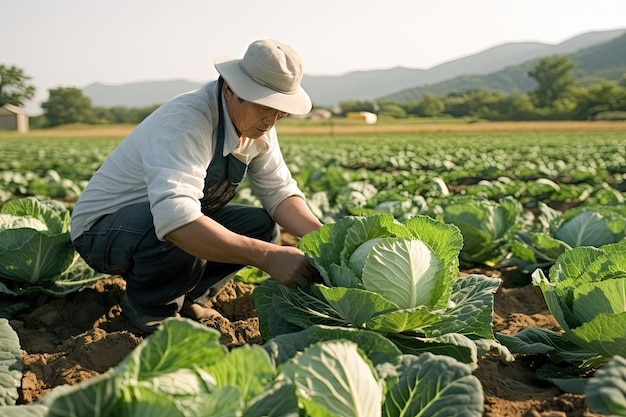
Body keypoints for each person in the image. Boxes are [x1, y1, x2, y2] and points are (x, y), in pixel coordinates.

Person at [70, 39, 323, 335]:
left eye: (281, 110)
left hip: (160, 218)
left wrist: (327, 241)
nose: (272, 119)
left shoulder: (259, 124)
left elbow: (278, 192)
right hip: (102, 231)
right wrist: (266, 257)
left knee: (259, 225)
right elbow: (175, 218)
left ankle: (188, 296)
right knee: (175, 226)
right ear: (230, 89)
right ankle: (151, 307)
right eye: (263, 106)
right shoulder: (188, 120)